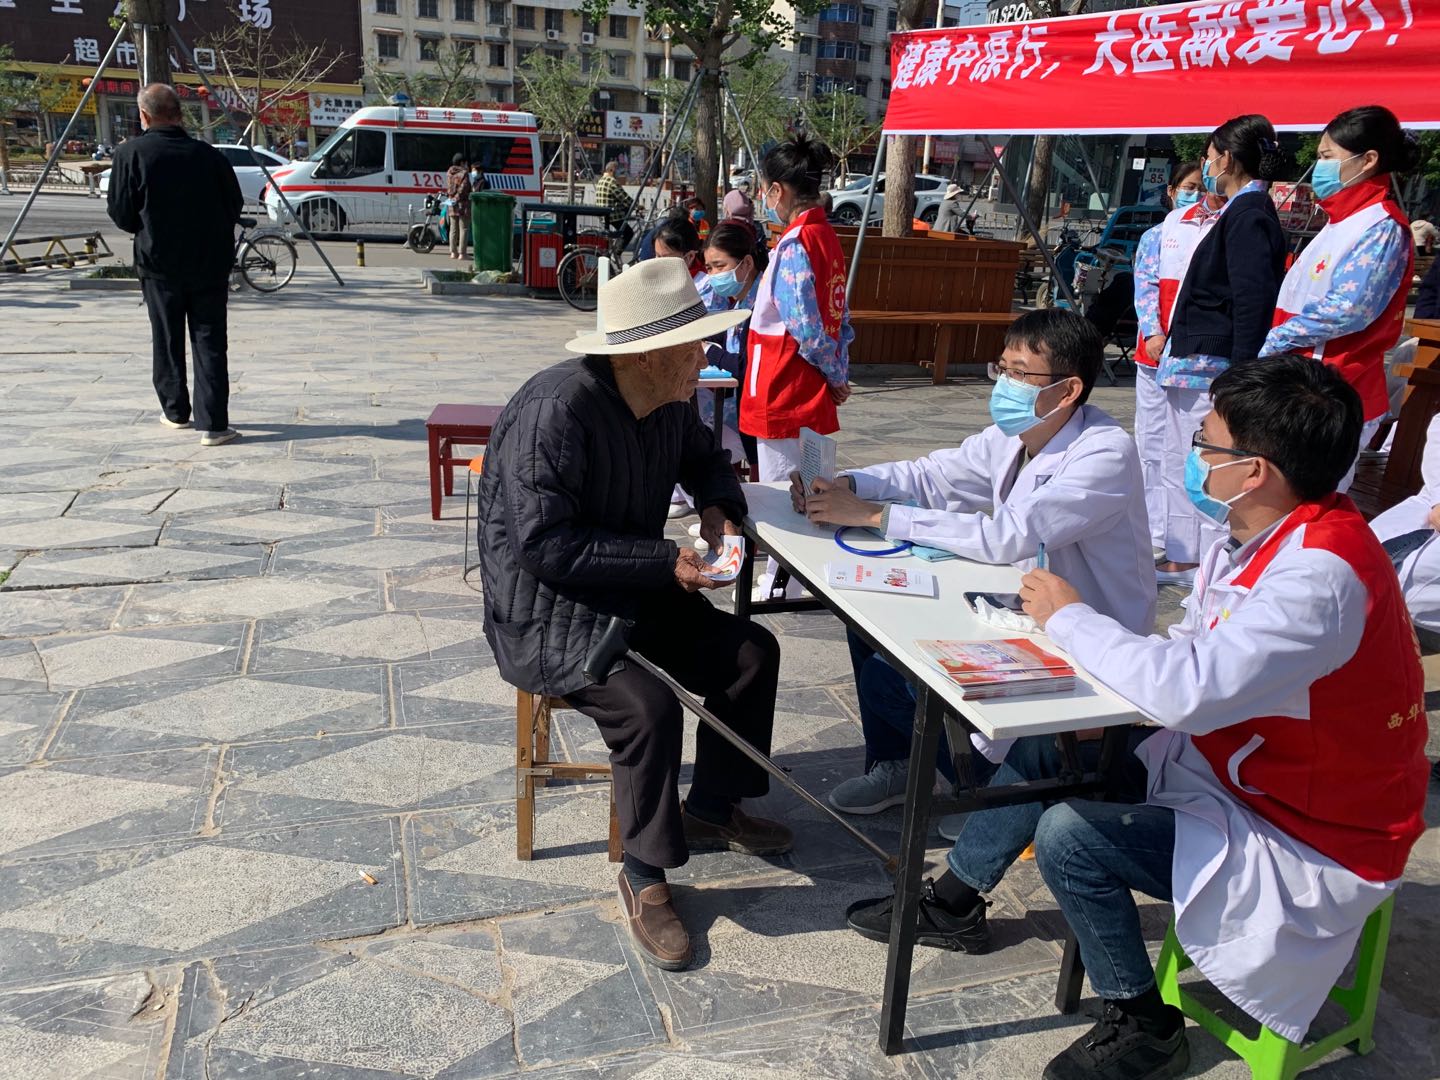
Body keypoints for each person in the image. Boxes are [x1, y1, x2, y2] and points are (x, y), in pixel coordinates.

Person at [1015, 354, 1428, 1080]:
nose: (1194, 455)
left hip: (1310, 829)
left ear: (1254, 470)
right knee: (1051, 749)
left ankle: (1144, 1028)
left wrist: (1070, 617)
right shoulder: (1272, 535)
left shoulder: (1318, 578)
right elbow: (1195, 650)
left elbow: (1188, 691)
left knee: (1070, 837)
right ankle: (954, 897)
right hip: (1244, 771)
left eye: (1205, 442)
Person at [476, 259, 783, 973]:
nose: (705, 358)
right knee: (648, 710)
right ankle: (644, 874)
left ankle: (712, 807)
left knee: (751, 653)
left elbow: (706, 461)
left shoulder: (669, 400)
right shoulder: (557, 410)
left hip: (633, 587)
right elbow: (544, 545)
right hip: (548, 611)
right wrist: (663, 561)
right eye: (694, 347)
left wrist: (718, 508)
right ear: (646, 356)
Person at [800, 309, 1156, 827]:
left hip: (1084, 630)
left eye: (1020, 373)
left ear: (1068, 390)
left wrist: (876, 516)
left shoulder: (1105, 455)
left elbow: (1008, 535)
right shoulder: (1017, 436)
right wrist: (851, 485)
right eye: (1002, 368)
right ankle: (901, 766)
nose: (1005, 384)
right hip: (1016, 605)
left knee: (890, 678)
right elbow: (934, 475)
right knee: (868, 626)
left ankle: (982, 789)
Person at [1153, 114, 1287, 586]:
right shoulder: (1241, 211)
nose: (1207, 166)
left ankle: (1203, 559)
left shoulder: (1249, 215)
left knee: (1207, 466)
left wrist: (1241, 374)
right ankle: (1185, 553)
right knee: (1183, 461)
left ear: (1227, 160)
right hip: (1197, 359)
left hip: (1211, 364)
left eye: (1210, 158)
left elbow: (1252, 298)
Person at [1262, 106, 1417, 491]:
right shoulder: (1339, 221)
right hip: (1303, 383)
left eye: (1327, 156)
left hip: (1336, 390)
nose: (1320, 167)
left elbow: (1349, 309)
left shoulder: (1380, 225)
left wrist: (1276, 339)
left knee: (1310, 500)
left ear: (1368, 160)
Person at [744, 134, 855, 598]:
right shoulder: (826, 235)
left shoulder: (795, 243)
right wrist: (839, 372)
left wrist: (833, 373)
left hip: (785, 382)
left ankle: (782, 582)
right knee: (810, 481)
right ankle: (793, 578)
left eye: (764, 188)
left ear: (778, 190)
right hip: (810, 383)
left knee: (781, 489)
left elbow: (806, 327)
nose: (763, 197)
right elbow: (840, 316)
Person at [107, 83, 242, 448]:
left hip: (158, 263)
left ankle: (176, 411)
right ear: (180, 114)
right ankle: (214, 424)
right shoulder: (209, 156)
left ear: (144, 115)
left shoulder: (131, 154)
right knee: (209, 340)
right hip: (209, 264)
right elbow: (234, 204)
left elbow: (121, 212)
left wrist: (148, 227)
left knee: (167, 338)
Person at [1131, 160, 1224, 555]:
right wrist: (1153, 332)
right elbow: (1145, 287)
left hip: (1191, 363)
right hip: (1152, 356)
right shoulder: (1156, 235)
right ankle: (1151, 527)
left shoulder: (1217, 231)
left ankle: (1183, 540)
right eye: (1187, 187)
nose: (1194, 193)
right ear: (1170, 191)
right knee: (1149, 445)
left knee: (1183, 449)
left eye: (1199, 187)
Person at [696, 221, 767, 474]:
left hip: (759, 417)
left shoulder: (761, 306)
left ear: (746, 263)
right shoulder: (740, 301)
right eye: (709, 268)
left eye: (720, 266)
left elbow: (747, 366)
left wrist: (707, 350)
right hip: (741, 411)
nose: (714, 275)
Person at [594, 160, 633, 248]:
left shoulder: (601, 180)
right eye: (617, 170)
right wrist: (636, 205)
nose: (618, 173)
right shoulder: (611, 181)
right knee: (629, 233)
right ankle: (618, 253)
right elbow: (623, 197)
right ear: (611, 170)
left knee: (619, 233)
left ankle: (614, 250)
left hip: (604, 215)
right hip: (612, 216)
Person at [445, 153, 472, 261]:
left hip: (451, 203)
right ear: (462, 163)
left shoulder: (449, 172)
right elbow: (463, 188)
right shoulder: (464, 173)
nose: (467, 166)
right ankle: (462, 253)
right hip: (462, 204)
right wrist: (457, 198)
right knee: (463, 228)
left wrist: (453, 199)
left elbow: (450, 188)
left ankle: (453, 252)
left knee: (453, 229)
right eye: (466, 163)